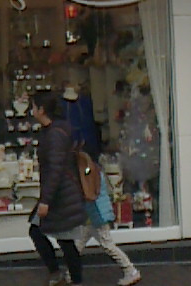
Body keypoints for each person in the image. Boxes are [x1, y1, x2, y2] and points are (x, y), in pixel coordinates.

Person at [30, 91, 85, 286]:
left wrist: (45, 200)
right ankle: (63, 275)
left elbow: (55, 169)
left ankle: (69, 278)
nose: (31, 110)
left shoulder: (54, 135)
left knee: (62, 239)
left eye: (33, 106)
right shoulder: (53, 130)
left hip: (61, 196)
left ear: (41, 110)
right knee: (56, 237)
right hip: (59, 193)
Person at [75, 165, 141, 286]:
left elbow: (89, 194)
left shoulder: (89, 172)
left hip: (97, 216)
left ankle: (131, 270)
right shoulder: (93, 171)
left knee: (108, 245)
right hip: (92, 216)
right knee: (77, 245)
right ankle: (70, 274)